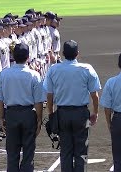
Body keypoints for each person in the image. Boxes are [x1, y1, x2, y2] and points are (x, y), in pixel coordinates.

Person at [44, 40, 101, 172]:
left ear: (63, 53)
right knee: (81, 152)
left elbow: (49, 96)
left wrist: (52, 114)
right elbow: (95, 95)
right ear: (77, 54)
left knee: (65, 151)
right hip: (81, 114)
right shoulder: (87, 69)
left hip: (62, 114)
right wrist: (95, 113)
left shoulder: (54, 69)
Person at [0, 43, 44, 172]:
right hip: (28, 114)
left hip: (12, 114)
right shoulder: (34, 75)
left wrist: (1, 118)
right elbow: (38, 102)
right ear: (28, 56)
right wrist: (39, 120)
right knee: (28, 152)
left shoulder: (4, 74)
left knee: (12, 152)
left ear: (13, 57)